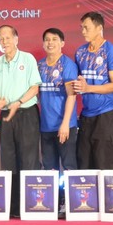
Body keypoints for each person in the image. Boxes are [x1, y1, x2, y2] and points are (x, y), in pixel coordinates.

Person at [0, 25, 42, 216]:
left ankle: (31, 203)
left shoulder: (27, 59)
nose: (5, 42)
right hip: (6, 115)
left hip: (26, 113)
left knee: (29, 159)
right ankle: (13, 206)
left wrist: (18, 102)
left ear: (16, 39)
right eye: (1, 39)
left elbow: (35, 87)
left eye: (8, 37)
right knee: (8, 159)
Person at [73, 12, 113, 169]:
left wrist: (88, 88)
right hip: (87, 115)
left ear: (99, 28)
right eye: (82, 28)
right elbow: (78, 81)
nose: (83, 31)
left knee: (104, 163)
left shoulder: (111, 51)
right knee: (84, 163)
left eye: (86, 28)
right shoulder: (80, 52)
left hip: (107, 113)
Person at [37, 28, 78, 174]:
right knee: (49, 169)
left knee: (69, 167)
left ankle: (70, 192)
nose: (50, 43)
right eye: (47, 40)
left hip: (65, 125)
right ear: (43, 44)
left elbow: (72, 95)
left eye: (54, 39)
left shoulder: (68, 64)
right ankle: (53, 191)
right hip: (46, 127)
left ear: (62, 43)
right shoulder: (39, 65)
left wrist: (65, 124)